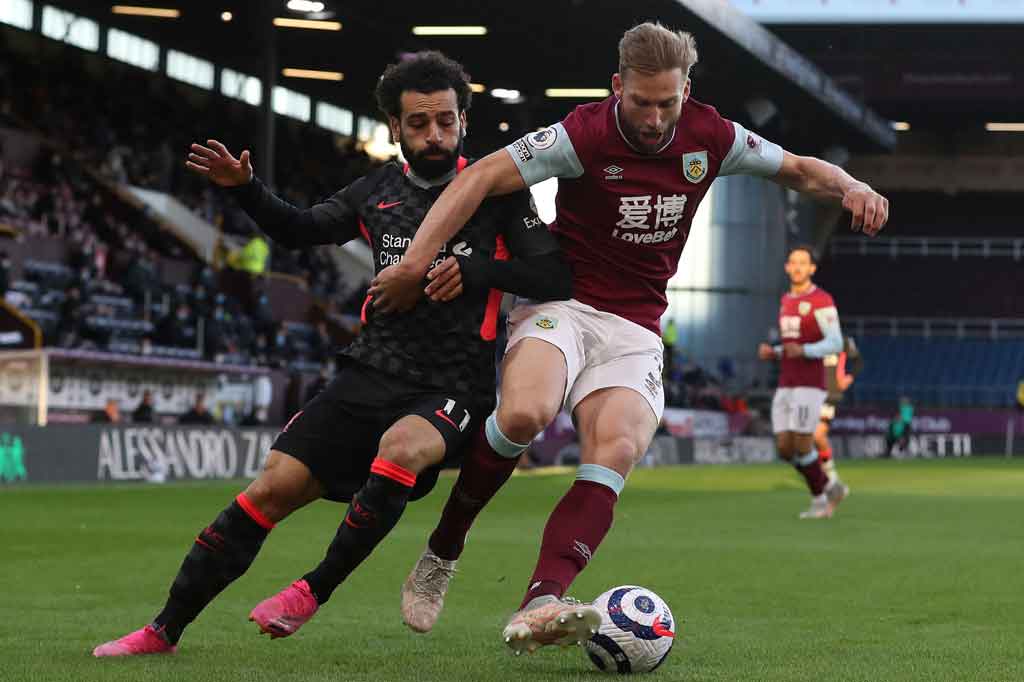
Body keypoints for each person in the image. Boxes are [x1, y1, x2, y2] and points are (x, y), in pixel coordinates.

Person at [367, 22, 889, 653]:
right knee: (527, 413)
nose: (653, 117)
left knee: (613, 449)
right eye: (641, 102)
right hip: (562, 303)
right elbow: (477, 177)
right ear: (618, 87)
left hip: (636, 325)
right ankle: (444, 548)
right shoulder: (582, 134)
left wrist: (852, 185)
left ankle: (542, 601)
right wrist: (416, 261)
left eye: (667, 103)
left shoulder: (713, 136)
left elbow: (801, 169)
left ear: (685, 90)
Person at [92, 51, 571, 658]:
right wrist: (246, 189)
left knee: (402, 450)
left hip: (453, 383)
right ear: (395, 128)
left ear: (463, 122)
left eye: (446, 121)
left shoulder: (497, 191)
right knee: (272, 487)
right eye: (420, 123)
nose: (435, 135)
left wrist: (474, 270)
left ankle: (312, 590)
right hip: (369, 370)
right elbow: (299, 229)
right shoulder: (374, 190)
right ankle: (162, 630)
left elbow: (555, 275)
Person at [758, 246, 848, 518]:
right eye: (793, 263)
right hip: (786, 381)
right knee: (785, 449)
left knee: (803, 444)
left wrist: (806, 351)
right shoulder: (786, 300)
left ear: (812, 269)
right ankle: (831, 485)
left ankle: (820, 501)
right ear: (787, 267)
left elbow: (836, 342)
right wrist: (773, 351)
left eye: (803, 263)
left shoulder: (821, 300)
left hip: (809, 384)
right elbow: (791, 345)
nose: (797, 268)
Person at [815, 335, 863, 482]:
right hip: (811, 394)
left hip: (830, 395)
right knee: (807, 437)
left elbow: (858, 362)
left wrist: (848, 378)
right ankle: (820, 470)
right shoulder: (812, 341)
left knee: (818, 435)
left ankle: (829, 472)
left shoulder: (843, 341)